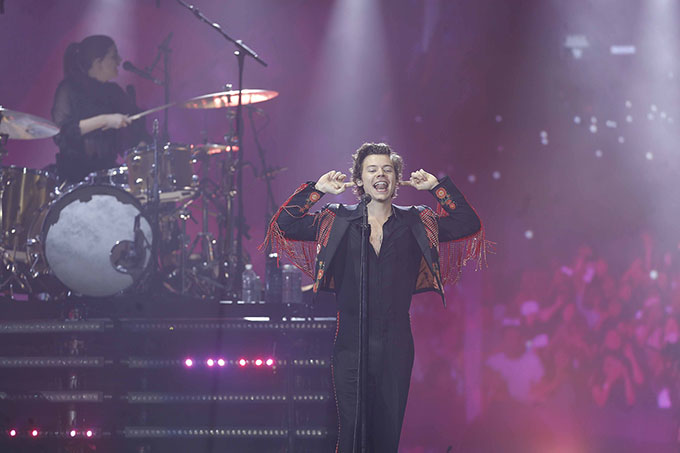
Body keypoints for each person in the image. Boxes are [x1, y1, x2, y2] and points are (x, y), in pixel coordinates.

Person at [263, 143, 486, 452]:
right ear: (359, 180)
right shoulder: (337, 220)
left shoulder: (415, 222)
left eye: (387, 170)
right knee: (352, 434)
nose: (380, 175)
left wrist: (437, 188)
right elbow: (284, 225)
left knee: (386, 436)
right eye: (372, 170)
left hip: (396, 343)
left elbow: (467, 223)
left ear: (395, 180)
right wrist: (317, 190)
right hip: (351, 344)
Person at [51, 35, 148, 184]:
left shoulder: (114, 92)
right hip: (75, 176)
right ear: (98, 63)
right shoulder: (69, 88)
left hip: (108, 175)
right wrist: (105, 120)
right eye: (114, 56)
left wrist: (140, 144)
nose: (119, 60)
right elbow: (63, 132)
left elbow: (131, 133)